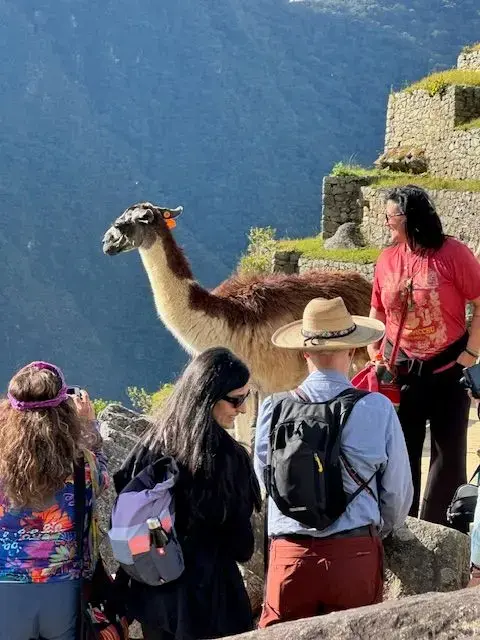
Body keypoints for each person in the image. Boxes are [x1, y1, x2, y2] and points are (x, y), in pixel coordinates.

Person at [255, 296, 413, 627]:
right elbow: (397, 494)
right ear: (353, 351)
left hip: (290, 556)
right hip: (354, 553)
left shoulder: (273, 408)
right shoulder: (377, 408)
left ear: (304, 353)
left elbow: (265, 481)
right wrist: (377, 530)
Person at [114, 347, 261, 640]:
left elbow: (124, 499)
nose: (243, 408)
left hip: (156, 597)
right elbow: (242, 547)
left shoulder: (148, 447)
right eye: (236, 400)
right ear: (208, 398)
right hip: (214, 600)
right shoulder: (229, 459)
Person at [367, 185, 480, 529]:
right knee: (401, 456)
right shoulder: (388, 259)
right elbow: (377, 309)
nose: (386, 222)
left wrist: (471, 353)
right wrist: (375, 349)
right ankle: (401, 529)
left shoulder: (453, 254)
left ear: (410, 218)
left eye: (390, 216)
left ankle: (440, 533)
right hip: (400, 371)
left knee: (448, 459)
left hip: (449, 369)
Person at [0, 361, 109, 640]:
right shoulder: (82, 465)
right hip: (62, 589)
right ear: (64, 412)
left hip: (6, 587)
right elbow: (103, 479)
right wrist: (90, 427)